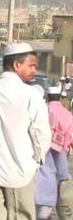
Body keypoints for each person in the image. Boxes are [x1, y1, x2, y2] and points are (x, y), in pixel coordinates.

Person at [0, 43, 52, 220]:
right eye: (31, 66)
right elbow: (41, 136)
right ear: (16, 65)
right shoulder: (31, 95)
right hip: (21, 174)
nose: (34, 71)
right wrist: (35, 163)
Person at [35, 86, 73, 220]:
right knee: (61, 182)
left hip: (42, 149)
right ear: (61, 98)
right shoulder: (67, 114)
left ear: (47, 96)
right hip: (61, 151)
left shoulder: (42, 110)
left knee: (44, 177)